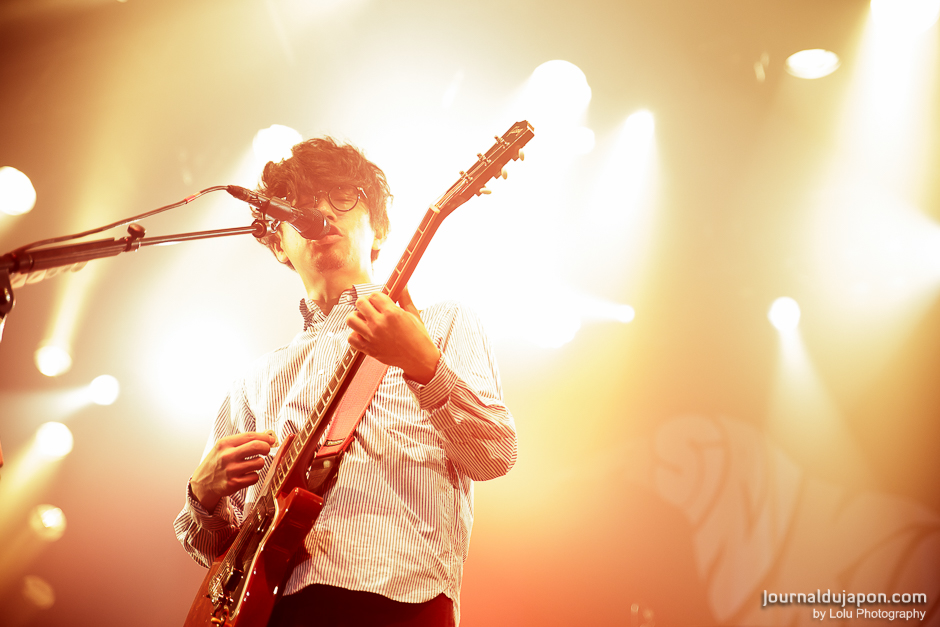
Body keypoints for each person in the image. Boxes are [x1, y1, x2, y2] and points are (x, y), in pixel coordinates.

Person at [173, 137, 517, 627]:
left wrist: (424, 366)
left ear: (379, 229)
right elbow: (220, 558)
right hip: (275, 613)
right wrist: (203, 498)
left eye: (341, 196)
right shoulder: (254, 381)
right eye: (299, 204)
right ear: (278, 243)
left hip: (399, 603)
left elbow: (494, 455)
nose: (320, 213)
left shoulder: (439, 323)